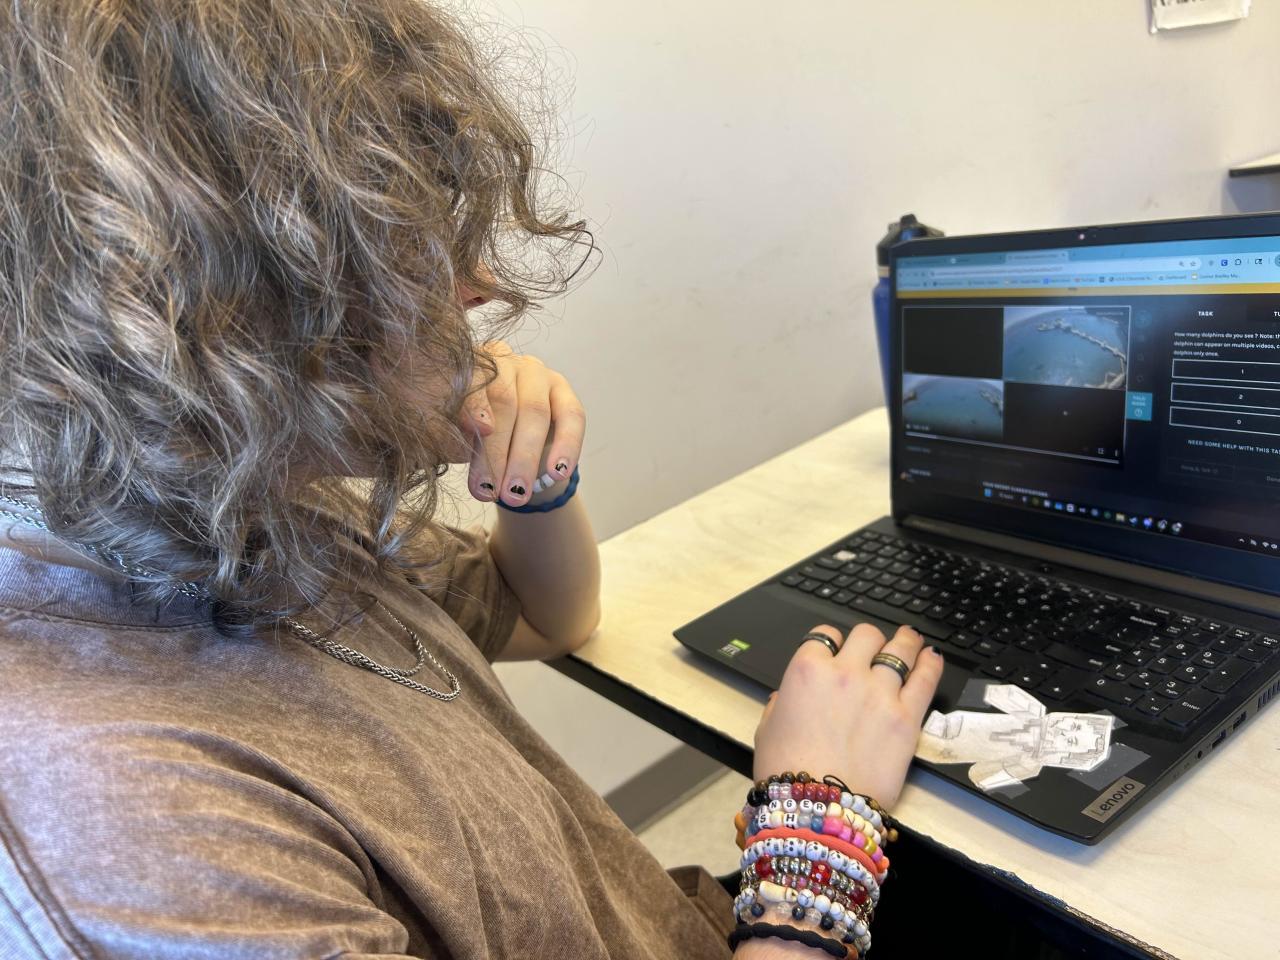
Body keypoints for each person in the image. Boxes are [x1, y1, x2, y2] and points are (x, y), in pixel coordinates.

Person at [0, 1, 943, 957]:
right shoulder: (133, 829)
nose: (479, 285)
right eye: (412, 253)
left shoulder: (241, 509)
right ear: (234, 318)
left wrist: (538, 477)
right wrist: (817, 837)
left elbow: (547, 619)